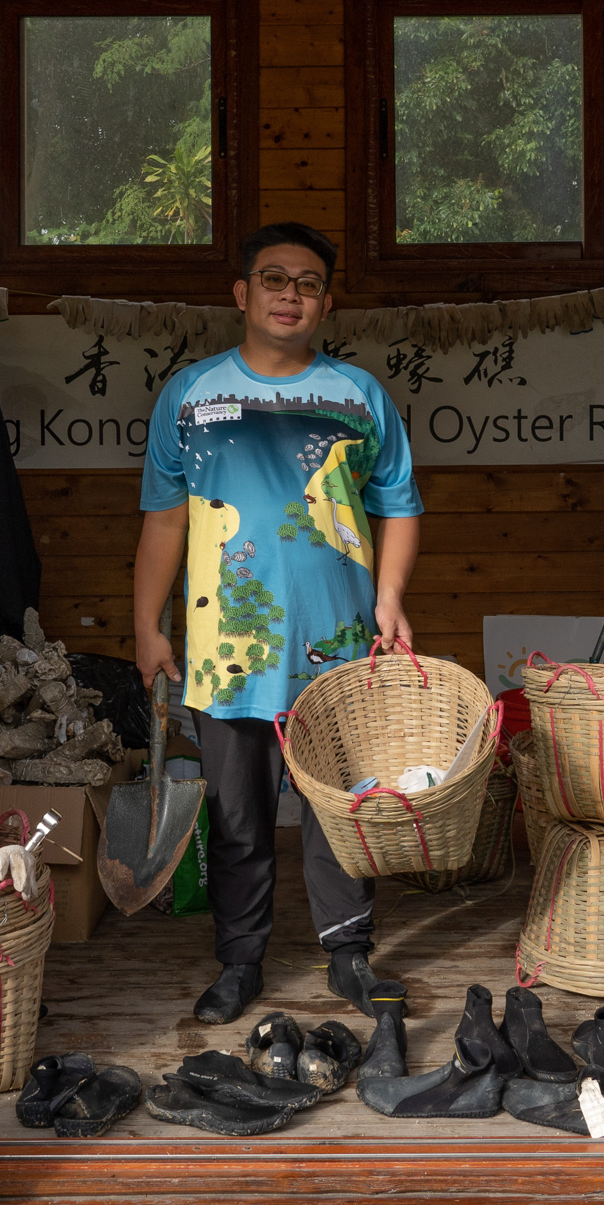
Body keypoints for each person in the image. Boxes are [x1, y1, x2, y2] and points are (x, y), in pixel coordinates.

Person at [134, 222, 423, 1026]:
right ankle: (240, 961)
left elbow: (398, 504)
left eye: (306, 282)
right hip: (226, 650)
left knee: (341, 809)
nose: (289, 294)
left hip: (339, 645)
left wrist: (391, 598)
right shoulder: (190, 394)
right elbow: (163, 521)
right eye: (273, 279)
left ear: (327, 301)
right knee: (236, 816)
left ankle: (349, 955)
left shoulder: (359, 395)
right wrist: (146, 627)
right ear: (242, 294)